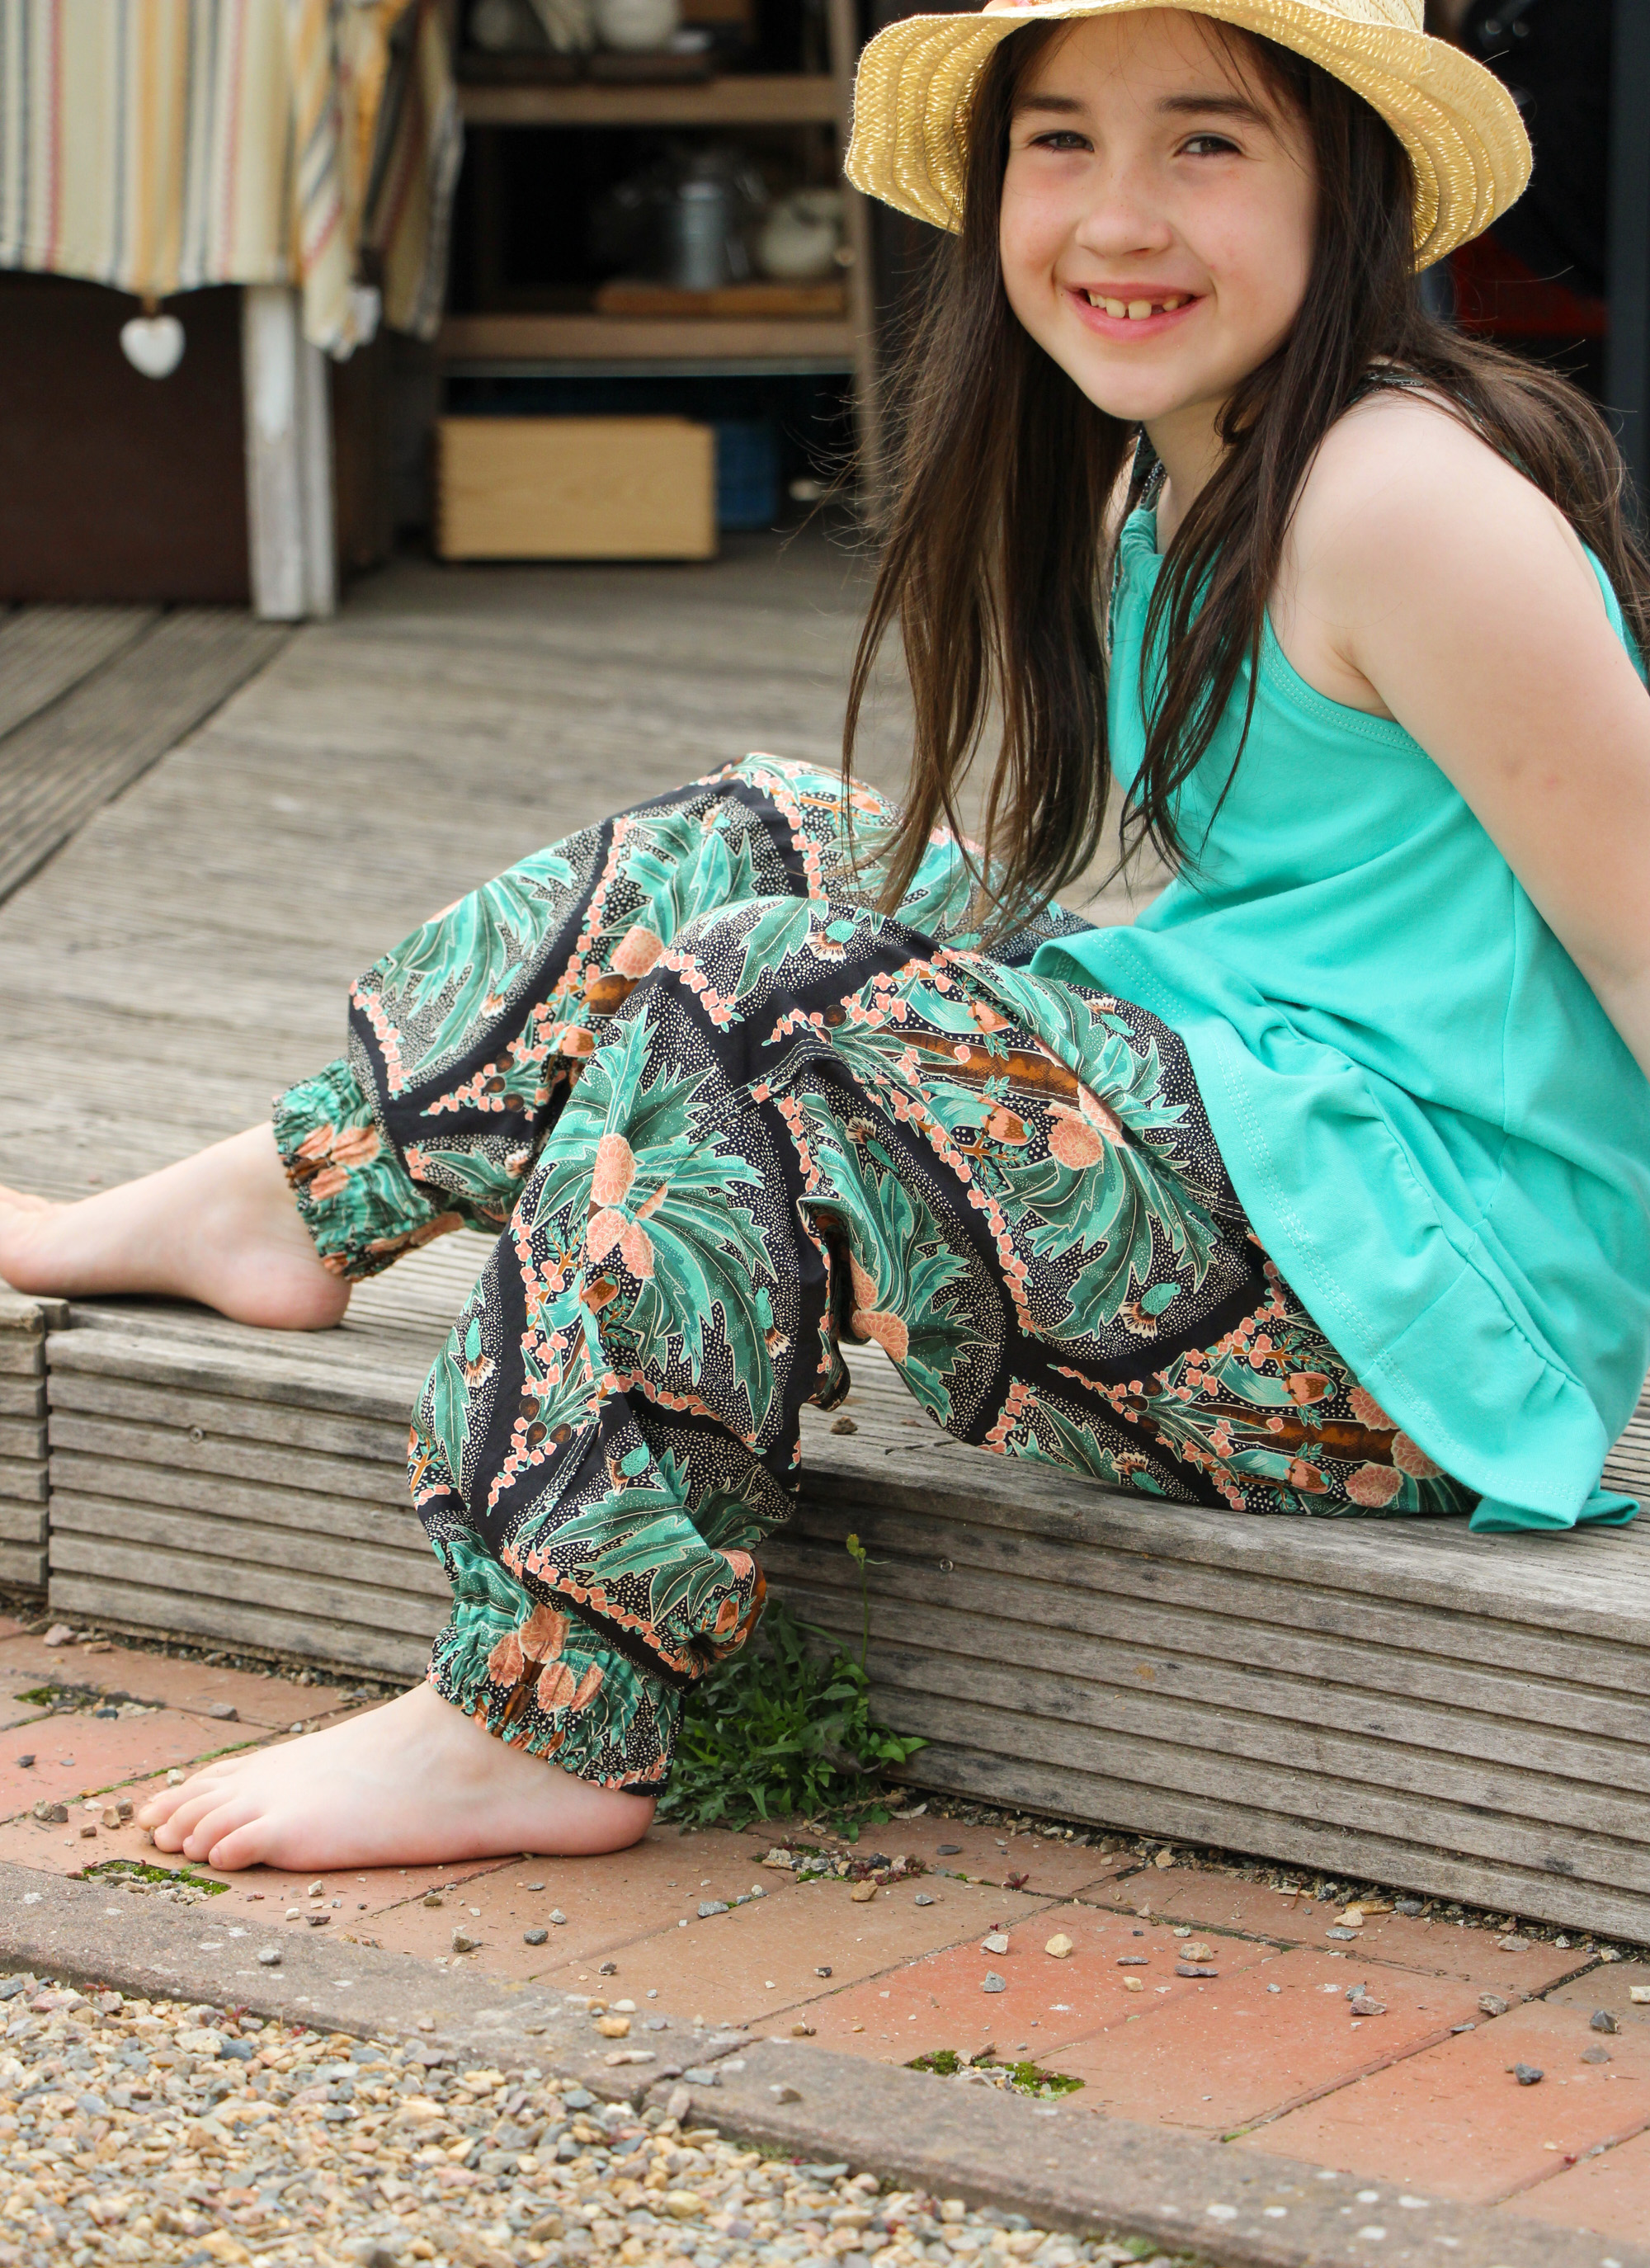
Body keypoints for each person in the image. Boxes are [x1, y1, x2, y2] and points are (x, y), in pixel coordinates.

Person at [1, 0, 1646, 1874]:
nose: (1118, 217)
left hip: (1408, 1329)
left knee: (777, 1003)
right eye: (1059, 144)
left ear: (1344, 180)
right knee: (769, 841)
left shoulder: (1403, 493)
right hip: (1288, 1141)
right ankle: (289, 1197)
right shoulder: (1176, 462)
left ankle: (537, 1708)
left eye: (1205, 142)